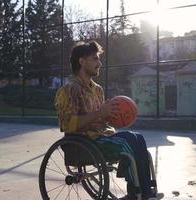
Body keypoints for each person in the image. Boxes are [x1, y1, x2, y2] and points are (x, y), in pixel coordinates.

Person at [55, 40, 163, 200]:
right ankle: (138, 194)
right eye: (95, 59)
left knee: (138, 138)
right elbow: (67, 125)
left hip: (101, 137)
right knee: (128, 142)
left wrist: (112, 115)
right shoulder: (68, 90)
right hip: (82, 143)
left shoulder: (97, 90)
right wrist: (100, 113)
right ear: (81, 61)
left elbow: (101, 119)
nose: (99, 63)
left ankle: (145, 192)